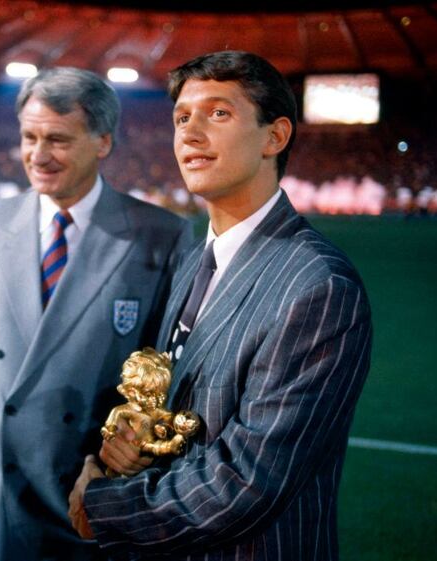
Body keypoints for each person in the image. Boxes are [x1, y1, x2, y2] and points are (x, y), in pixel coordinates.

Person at [68, 51, 372, 560]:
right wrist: (135, 444)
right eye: (182, 117)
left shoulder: (318, 286)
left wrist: (102, 504)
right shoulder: (193, 260)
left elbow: (248, 482)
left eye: (218, 113)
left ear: (275, 137)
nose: (189, 132)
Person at [0, 67, 191, 561]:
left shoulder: (161, 236)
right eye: (29, 136)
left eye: (58, 140)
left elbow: (164, 378)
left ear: (103, 142)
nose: (38, 155)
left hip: (85, 494)